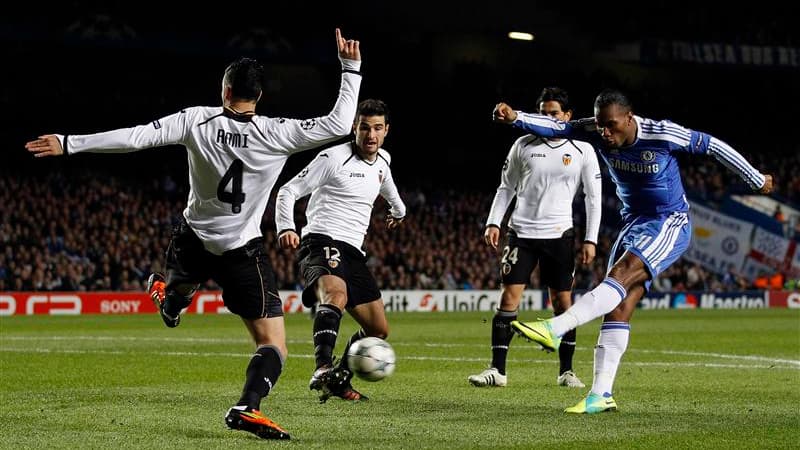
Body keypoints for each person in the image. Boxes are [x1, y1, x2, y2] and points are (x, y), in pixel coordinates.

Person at [24, 28, 363, 439]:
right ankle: (247, 406)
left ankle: (168, 298)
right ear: (258, 97)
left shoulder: (195, 120)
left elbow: (134, 138)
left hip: (192, 239)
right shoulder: (279, 133)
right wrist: (350, 67)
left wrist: (68, 143)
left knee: (175, 303)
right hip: (240, 250)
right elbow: (341, 122)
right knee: (273, 346)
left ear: (225, 91)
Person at [493, 89, 774, 414]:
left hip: (669, 220)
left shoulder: (661, 133)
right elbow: (556, 128)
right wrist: (516, 118)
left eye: (611, 125)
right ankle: (600, 395)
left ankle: (556, 329)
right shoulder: (595, 130)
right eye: (600, 126)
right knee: (619, 306)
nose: (605, 133)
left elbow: (712, 145)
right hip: (634, 223)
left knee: (619, 277)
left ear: (629, 119)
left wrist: (754, 178)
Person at [467, 87, 601, 389]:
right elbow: (506, 188)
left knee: (563, 303)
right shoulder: (522, 145)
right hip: (521, 234)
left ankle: (566, 371)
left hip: (560, 236)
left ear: (567, 116)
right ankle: (497, 371)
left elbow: (594, 199)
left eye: (553, 113)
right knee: (508, 299)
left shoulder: (583, 151)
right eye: (542, 112)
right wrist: (493, 222)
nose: (547, 118)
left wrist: (591, 239)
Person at [275, 98, 406, 403]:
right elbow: (288, 190)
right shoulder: (333, 158)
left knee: (378, 329)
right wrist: (286, 226)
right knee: (336, 294)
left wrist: (398, 211)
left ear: (386, 130)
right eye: (364, 128)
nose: (370, 135)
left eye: (376, 128)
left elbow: (389, 191)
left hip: (354, 251)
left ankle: (338, 377)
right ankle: (322, 367)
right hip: (321, 240)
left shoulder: (383, 162)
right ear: (353, 128)